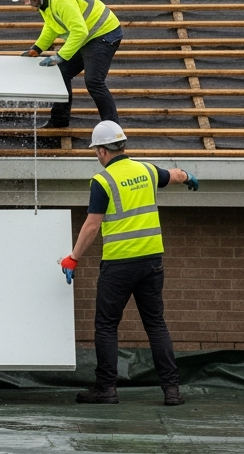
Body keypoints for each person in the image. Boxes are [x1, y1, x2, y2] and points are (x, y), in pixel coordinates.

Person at [59, 120, 199, 406]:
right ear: (122, 145)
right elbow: (172, 174)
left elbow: (91, 226)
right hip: (151, 262)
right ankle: (172, 391)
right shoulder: (146, 170)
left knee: (107, 326)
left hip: (119, 264)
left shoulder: (102, 181)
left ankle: (106, 389)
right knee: (156, 325)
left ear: (101, 151)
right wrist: (187, 176)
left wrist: (73, 258)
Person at [9, 0, 123, 134]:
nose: (26, 2)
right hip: (87, 36)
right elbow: (52, 26)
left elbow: (80, 31)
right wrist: (37, 49)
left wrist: (60, 56)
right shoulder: (45, 2)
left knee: (94, 82)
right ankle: (59, 120)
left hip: (104, 34)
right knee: (61, 72)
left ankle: (113, 130)